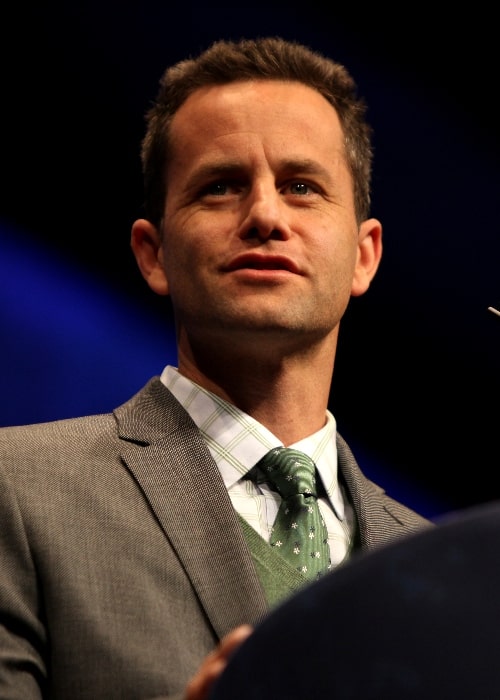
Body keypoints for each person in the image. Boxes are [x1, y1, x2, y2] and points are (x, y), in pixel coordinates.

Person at [0, 36, 432, 700]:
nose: (264, 216)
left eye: (301, 186)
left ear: (364, 256)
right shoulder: (18, 490)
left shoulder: (440, 566)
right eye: (221, 187)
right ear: (153, 254)